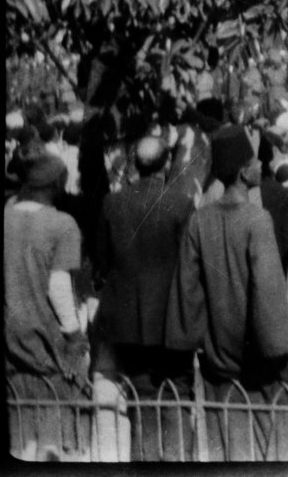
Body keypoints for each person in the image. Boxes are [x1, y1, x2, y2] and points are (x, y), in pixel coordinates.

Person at [164, 125, 288, 461]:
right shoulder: (258, 219)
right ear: (242, 172)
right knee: (269, 450)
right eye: (254, 161)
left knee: (229, 451)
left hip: (217, 361)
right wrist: (281, 349)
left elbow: (187, 293)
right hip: (259, 362)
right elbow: (268, 292)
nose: (261, 166)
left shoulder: (199, 220)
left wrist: (189, 344)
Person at [92, 136, 195, 459]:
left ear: (135, 164)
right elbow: (189, 264)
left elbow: (101, 262)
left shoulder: (113, 203)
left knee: (140, 402)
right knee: (175, 399)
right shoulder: (181, 203)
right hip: (170, 321)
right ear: (166, 163)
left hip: (127, 323)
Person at [5, 152, 89, 461]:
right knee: (51, 435)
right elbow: (58, 287)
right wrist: (74, 334)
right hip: (46, 338)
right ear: (57, 184)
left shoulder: (7, 215)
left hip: (10, 337)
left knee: (19, 433)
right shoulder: (62, 224)